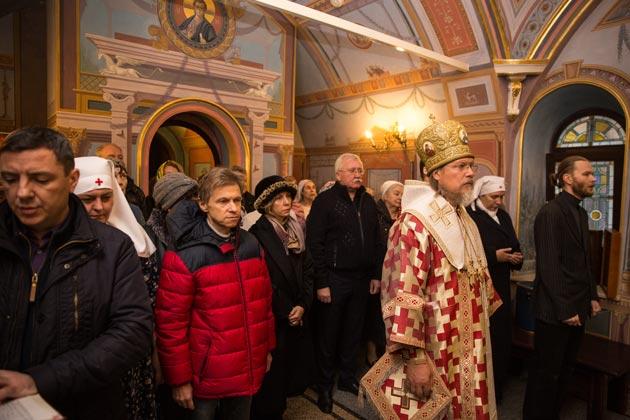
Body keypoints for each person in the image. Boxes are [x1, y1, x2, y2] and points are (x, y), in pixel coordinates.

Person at [0, 127, 152, 419]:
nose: (22, 193)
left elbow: (132, 331)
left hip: (83, 405)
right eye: (9, 179)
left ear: (70, 180)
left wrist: (40, 381)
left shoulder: (113, 246)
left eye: (40, 179)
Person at [377, 118, 501, 419]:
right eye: (460, 166)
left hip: (470, 343)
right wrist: (415, 358)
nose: (471, 172)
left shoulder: (464, 216)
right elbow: (403, 293)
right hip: (436, 347)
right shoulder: (414, 223)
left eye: (471, 164)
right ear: (435, 173)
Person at [155, 167, 275, 420]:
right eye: (223, 201)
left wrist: (266, 349)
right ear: (203, 204)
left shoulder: (250, 244)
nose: (233, 208)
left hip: (246, 363)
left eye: (237, 200)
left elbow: (263, 306)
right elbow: (170, 324)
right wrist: (179, 380)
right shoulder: (184, 255)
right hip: (205, 372)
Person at [74, 156, 158, 420]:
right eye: (88, 199)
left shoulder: (135, 240)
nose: (98, 207)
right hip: (78, 360)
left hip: (131, 356)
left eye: (106, 197)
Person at [523, 155, 600, 420]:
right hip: (555, 310)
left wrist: (592, 296)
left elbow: (584, 259)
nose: (593, 179)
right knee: (546, 374)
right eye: (587, 174)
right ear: (568, 178)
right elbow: (549, 265)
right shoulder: (550, 212)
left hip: (577, 305)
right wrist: (566, 309)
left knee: (565, 371)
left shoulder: (579, 212)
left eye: (592, 174)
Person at [306, 153, 385, 413]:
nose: (357, 174)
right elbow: (314, 244)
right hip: (334, 278)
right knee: (329, 335)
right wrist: (322, 282)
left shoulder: (368, 201)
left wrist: (375, 274)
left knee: (354, 332)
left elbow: (376, 240)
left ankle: (348, 378)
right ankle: (325, 386)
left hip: (362, 279)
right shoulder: (325, 201)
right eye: (352, 170)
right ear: (339, 174)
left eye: (360, 170)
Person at [249, 175, 315, 419]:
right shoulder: (257, 234)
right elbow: (263, 279)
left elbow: (309, 268)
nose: (286, 202)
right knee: (272, 373)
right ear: (267, 204)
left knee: (290, 369)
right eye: (279, 199)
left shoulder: (296, 227)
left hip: (297, 308)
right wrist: (288, 309)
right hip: (276, 313)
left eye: (288, 196)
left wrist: (303, 305)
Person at [467, 175, 523, 402]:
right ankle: (481, 390)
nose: (499, 201)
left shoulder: (504, 216)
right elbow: (467, 252)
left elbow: (514, 243)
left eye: (501, 196)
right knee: (483, 338)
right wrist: (494, 256)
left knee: (500, 337)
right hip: (479, 286)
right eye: (494, 197)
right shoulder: (471, 217)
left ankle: (497, 386)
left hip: (501, 284)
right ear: (480, 195)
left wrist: (517, 257)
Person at [366, 180, 403, 365]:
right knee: (375, 312)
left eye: (402, 194)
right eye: (396, 193)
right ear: (385, 195)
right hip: (378, 270)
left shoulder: (403, 216)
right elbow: (372, 245)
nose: (400, 197)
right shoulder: (374, 214)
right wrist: (374, 274)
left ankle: (389, 349)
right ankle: (372, 350)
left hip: (396, 272)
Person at [146, 172, 199, 265]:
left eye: (195, 196)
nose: (193, 204)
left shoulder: (203, 226)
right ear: (169, 207)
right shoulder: (148, 239)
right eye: (186, 200)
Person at [95, 143, 148, 218]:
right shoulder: (93, 190)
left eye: (120, 157)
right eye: (111, 157)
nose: (117, 160)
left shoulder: (136, 193)